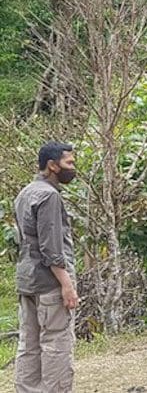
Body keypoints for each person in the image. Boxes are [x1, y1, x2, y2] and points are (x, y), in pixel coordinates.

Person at [14, 142, 79, 393]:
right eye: (69, 163)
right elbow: (51, 248)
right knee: (56, 343)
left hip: (27, 278)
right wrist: (66, 285)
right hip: (50, 282)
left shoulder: (26, 192)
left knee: (28, 343)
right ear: (52, 165)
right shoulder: (50, 196)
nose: (73, 169)